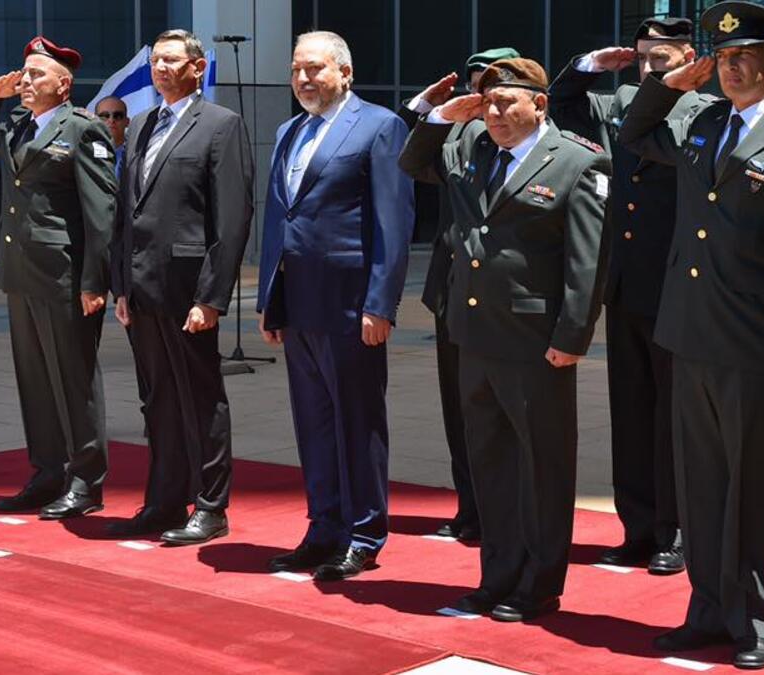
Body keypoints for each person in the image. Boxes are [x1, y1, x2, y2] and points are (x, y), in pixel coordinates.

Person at [618, 2, 764, 668]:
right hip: (689, 333)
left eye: (745, 56)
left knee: (751, 487)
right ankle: (708, 609)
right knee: (701, 485)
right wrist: (670, 84)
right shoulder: (701, 123)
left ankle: (755, 621)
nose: (732, 68)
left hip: (753, 342)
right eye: (722, 58)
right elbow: (634, 133)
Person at [400, 58, 609, 623]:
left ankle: (537, 585)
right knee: (490, 464)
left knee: (541, 465)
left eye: (504, 102)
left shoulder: (577, 161)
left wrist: (573, 334)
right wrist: (442, 116)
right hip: (475, 334)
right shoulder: (473, 149)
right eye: (487, 102)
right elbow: (412, 162)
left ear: (538, 104)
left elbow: (587, 261)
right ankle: (495, 578)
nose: (492, 113)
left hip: (534, 340)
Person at [553, 16, 711, 576]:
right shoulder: (617, 104)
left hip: (676, 289)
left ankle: (676, 531)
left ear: (688, 58)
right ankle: (638, 529)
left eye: (660, 59)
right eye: (642, 58)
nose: (648, 68)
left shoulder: (707, 114)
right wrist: (590, 65)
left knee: (674, 419)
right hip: (623, 288)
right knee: (631, 414)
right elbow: (561, 105)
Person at [256, 31, 414, 581]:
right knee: (314, 423)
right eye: (296, 69)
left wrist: (381, 304)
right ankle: (323, 528)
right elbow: (278, 220)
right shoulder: (288, 131)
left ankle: (364, 534)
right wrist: (269, 299)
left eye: (315, 68)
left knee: (357, 423)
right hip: (299, 305)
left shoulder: (380, 126)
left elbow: (393, 222)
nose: (303, 78)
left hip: (351, 307)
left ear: (345, 72)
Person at [107, 30, 253, 544]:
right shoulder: (142, 123)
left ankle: (210, 506)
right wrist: (120, 286)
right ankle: (164, 502)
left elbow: (231, 220)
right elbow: (126, 212)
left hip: (188, 291)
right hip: (141, 289)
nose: (160, 68)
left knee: (200, 399)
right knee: (158, 401)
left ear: (197, 67)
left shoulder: (220, 125)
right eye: (155, 60)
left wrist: (211, 297)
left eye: (171, 60)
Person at [0, 36, 117, 520]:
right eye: (24, 73)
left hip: (63, 276)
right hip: (20, 272)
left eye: (36, 75)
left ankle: (86, 480)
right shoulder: (16, 126)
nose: (26, 81)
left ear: (64, 85)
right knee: (34, 381)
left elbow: (101, 212)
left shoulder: (83, 130)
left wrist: (95, 281)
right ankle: (48, 472)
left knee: (73, 379)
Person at [395, 46, 520, 543]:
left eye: (495, 86)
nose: (484, 96)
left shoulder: (531, 142)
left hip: (510, 302)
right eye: (477, 85)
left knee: (507, 415)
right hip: (454, 293)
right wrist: (428, 109)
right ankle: (472, 508)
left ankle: (510, 512)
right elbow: (408, 155)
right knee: (461, 409)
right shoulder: (460, 139)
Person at [95, 96, 130, 180]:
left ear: (127, 122)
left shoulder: (138, 155)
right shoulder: (83, 153)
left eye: (118, 116)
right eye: (104, 116)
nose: (111, 120)